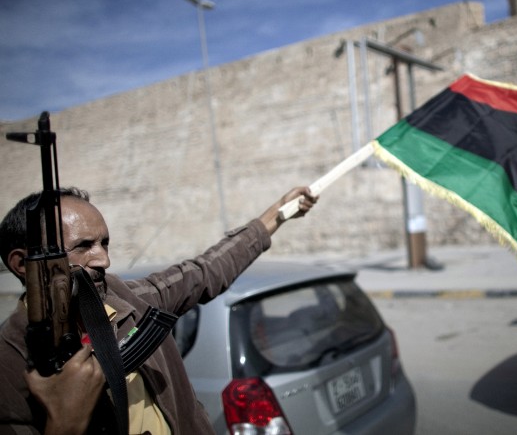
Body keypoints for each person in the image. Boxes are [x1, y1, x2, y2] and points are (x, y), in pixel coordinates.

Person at [0, 185, 317, 434]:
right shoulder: (9, 365)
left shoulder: (129, 299)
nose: (103, 260)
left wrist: (278, 214)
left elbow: (205, 271)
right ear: (22, 264)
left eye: (104, 244)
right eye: (84, 246)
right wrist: (65, 425)